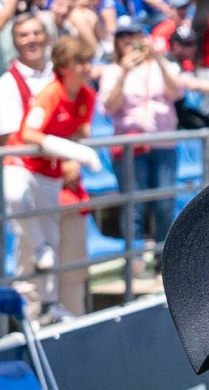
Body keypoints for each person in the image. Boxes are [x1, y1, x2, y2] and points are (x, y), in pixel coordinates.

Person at [7, 35, 96, 319]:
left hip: (51, 172)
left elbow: (81, 131)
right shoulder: (50, 93)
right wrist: (70, 150)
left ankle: (48, 305)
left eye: (88, 61)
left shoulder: (87, 96)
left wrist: (71, 153)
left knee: (51, 239)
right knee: (16, 201)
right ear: (65, 66)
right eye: (79, 62)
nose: (86, 67)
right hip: (24, 164)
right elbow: (29, 134)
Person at [100, 19, 184, 253]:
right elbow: (108, 107)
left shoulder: (161, 66)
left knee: (165, 203)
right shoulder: (113, 71)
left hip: (164, 141)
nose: (129, 40)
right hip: (131, 146)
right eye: (123, 36)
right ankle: (133, 261)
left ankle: (163, 258)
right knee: (134, 205)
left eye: (133, 34)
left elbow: (176, 92)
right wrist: (125, 71)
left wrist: (156, 57)